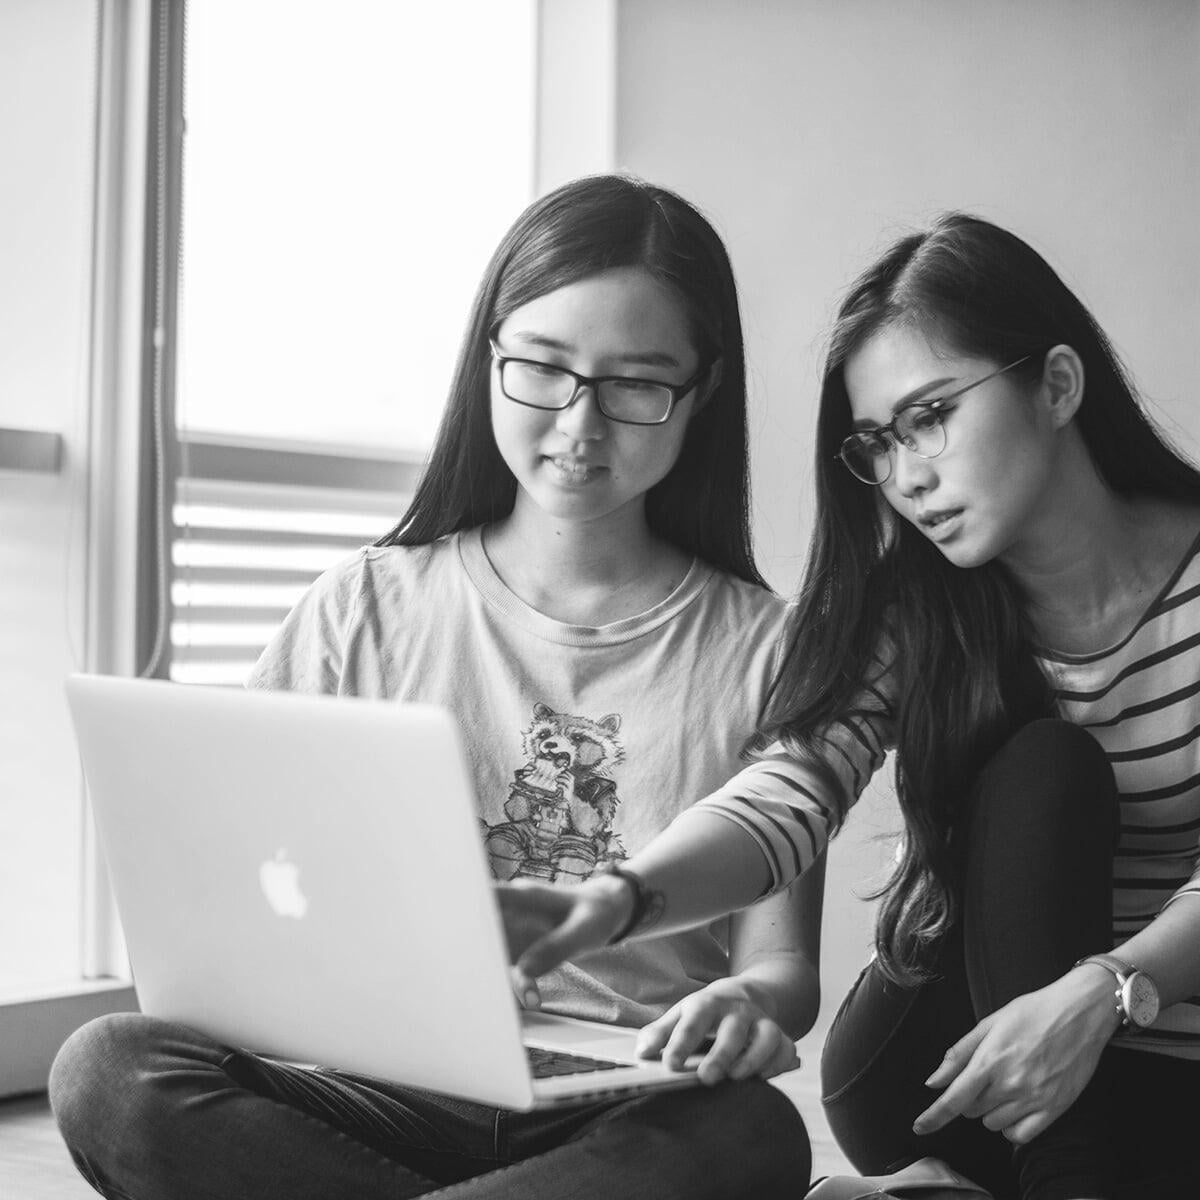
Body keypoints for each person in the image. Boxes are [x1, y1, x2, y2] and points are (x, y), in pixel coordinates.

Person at [48, 174, 817, 1200]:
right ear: (488, 357)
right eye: (544, 369)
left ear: (702, 393)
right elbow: (242, 895)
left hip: (622, 1105)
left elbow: (782, 969)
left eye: (637, 384)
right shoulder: (361, 607)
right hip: (389, 1092)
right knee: (107, 1069)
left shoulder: (771, 649)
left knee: (754, 1133)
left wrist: (753, 1006)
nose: (581, 427)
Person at [500, 213, 1200, 1199]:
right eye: (879, 443)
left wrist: (1107, 989)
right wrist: (621, 898)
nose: (908, 477)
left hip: (1156, 1053)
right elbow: (791, 789)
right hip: (949, 1061)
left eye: (932, 416)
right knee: (1048, 767)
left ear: (1056, 384)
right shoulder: (918, 605)